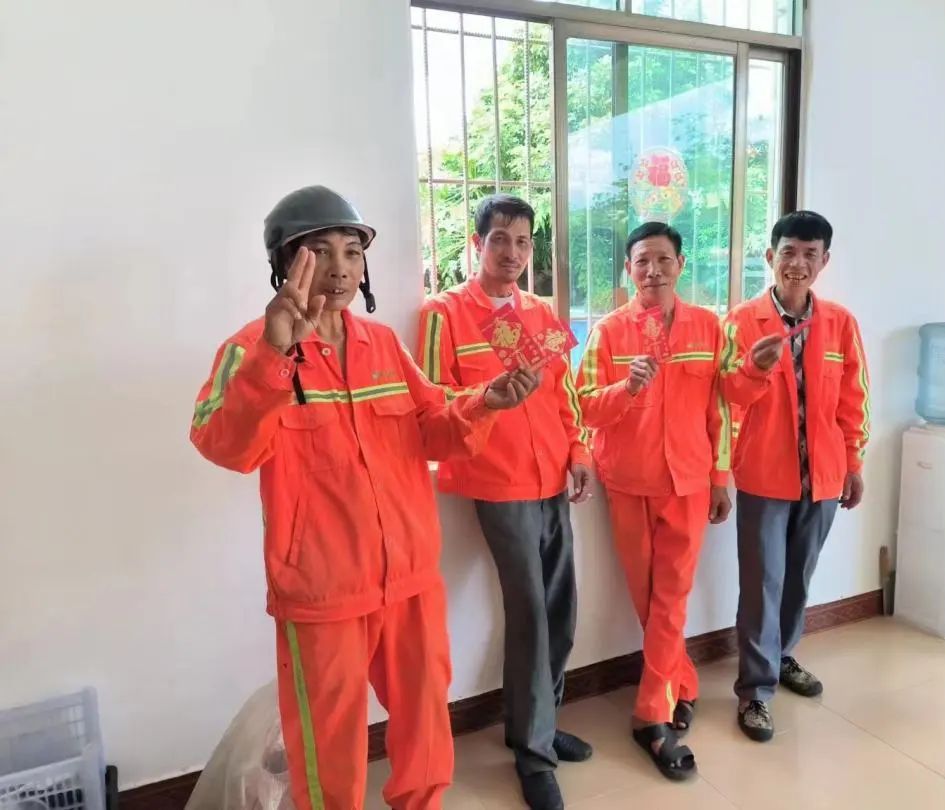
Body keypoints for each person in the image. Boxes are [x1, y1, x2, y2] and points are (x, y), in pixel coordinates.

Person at [190, 185, 539, 810]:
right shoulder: (250, 349)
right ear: (285, 264)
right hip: (322, 590)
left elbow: (434, 426)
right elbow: (224, 445)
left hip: (409, 577)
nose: (340, 268)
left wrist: (485, 401)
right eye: (319, 252)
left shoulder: (384, 347)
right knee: (329, 744)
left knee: (426, 723)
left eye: (352, 252)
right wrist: (275, 355)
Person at [416, 195, 593, 810]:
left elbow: (567, 394)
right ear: (477, 243)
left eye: (522, 242)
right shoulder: (443, 313)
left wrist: (579, 451)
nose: (512, 253)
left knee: (562, 610)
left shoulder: (542, 314)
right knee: (531, 614)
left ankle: (537, 722)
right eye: (499, 239)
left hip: (553, 480)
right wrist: (485, 397)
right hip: (497, 482)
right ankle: (534, 755)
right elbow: (431, 402)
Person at [575, 221, 732, 781]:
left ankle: (651, 715)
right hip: (628, 480)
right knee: (650, 599)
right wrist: (628, 387)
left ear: (680, 265)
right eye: (642, 261)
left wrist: (720, 476)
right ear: (628, 269)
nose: (653, 270)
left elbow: (722, 410)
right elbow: (583, 407)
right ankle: (682, 682)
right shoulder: (608, 332)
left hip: (689, 481)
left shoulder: (709, 328)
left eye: (663, 260)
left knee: (671, 597)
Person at [718, 210, 870, 742]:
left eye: (810, 254)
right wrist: (755, 368)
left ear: (824, 261)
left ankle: (782, 656)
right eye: (788, 252)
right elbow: (726, 398)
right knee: (762, 583)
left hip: (823, 477)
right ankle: (755, 692)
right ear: (771, 257)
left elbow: (854, 399)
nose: (798, 264)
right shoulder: (741, 321)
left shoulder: (840, 323)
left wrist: (853, 463)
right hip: (764, 474)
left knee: (799, 577)